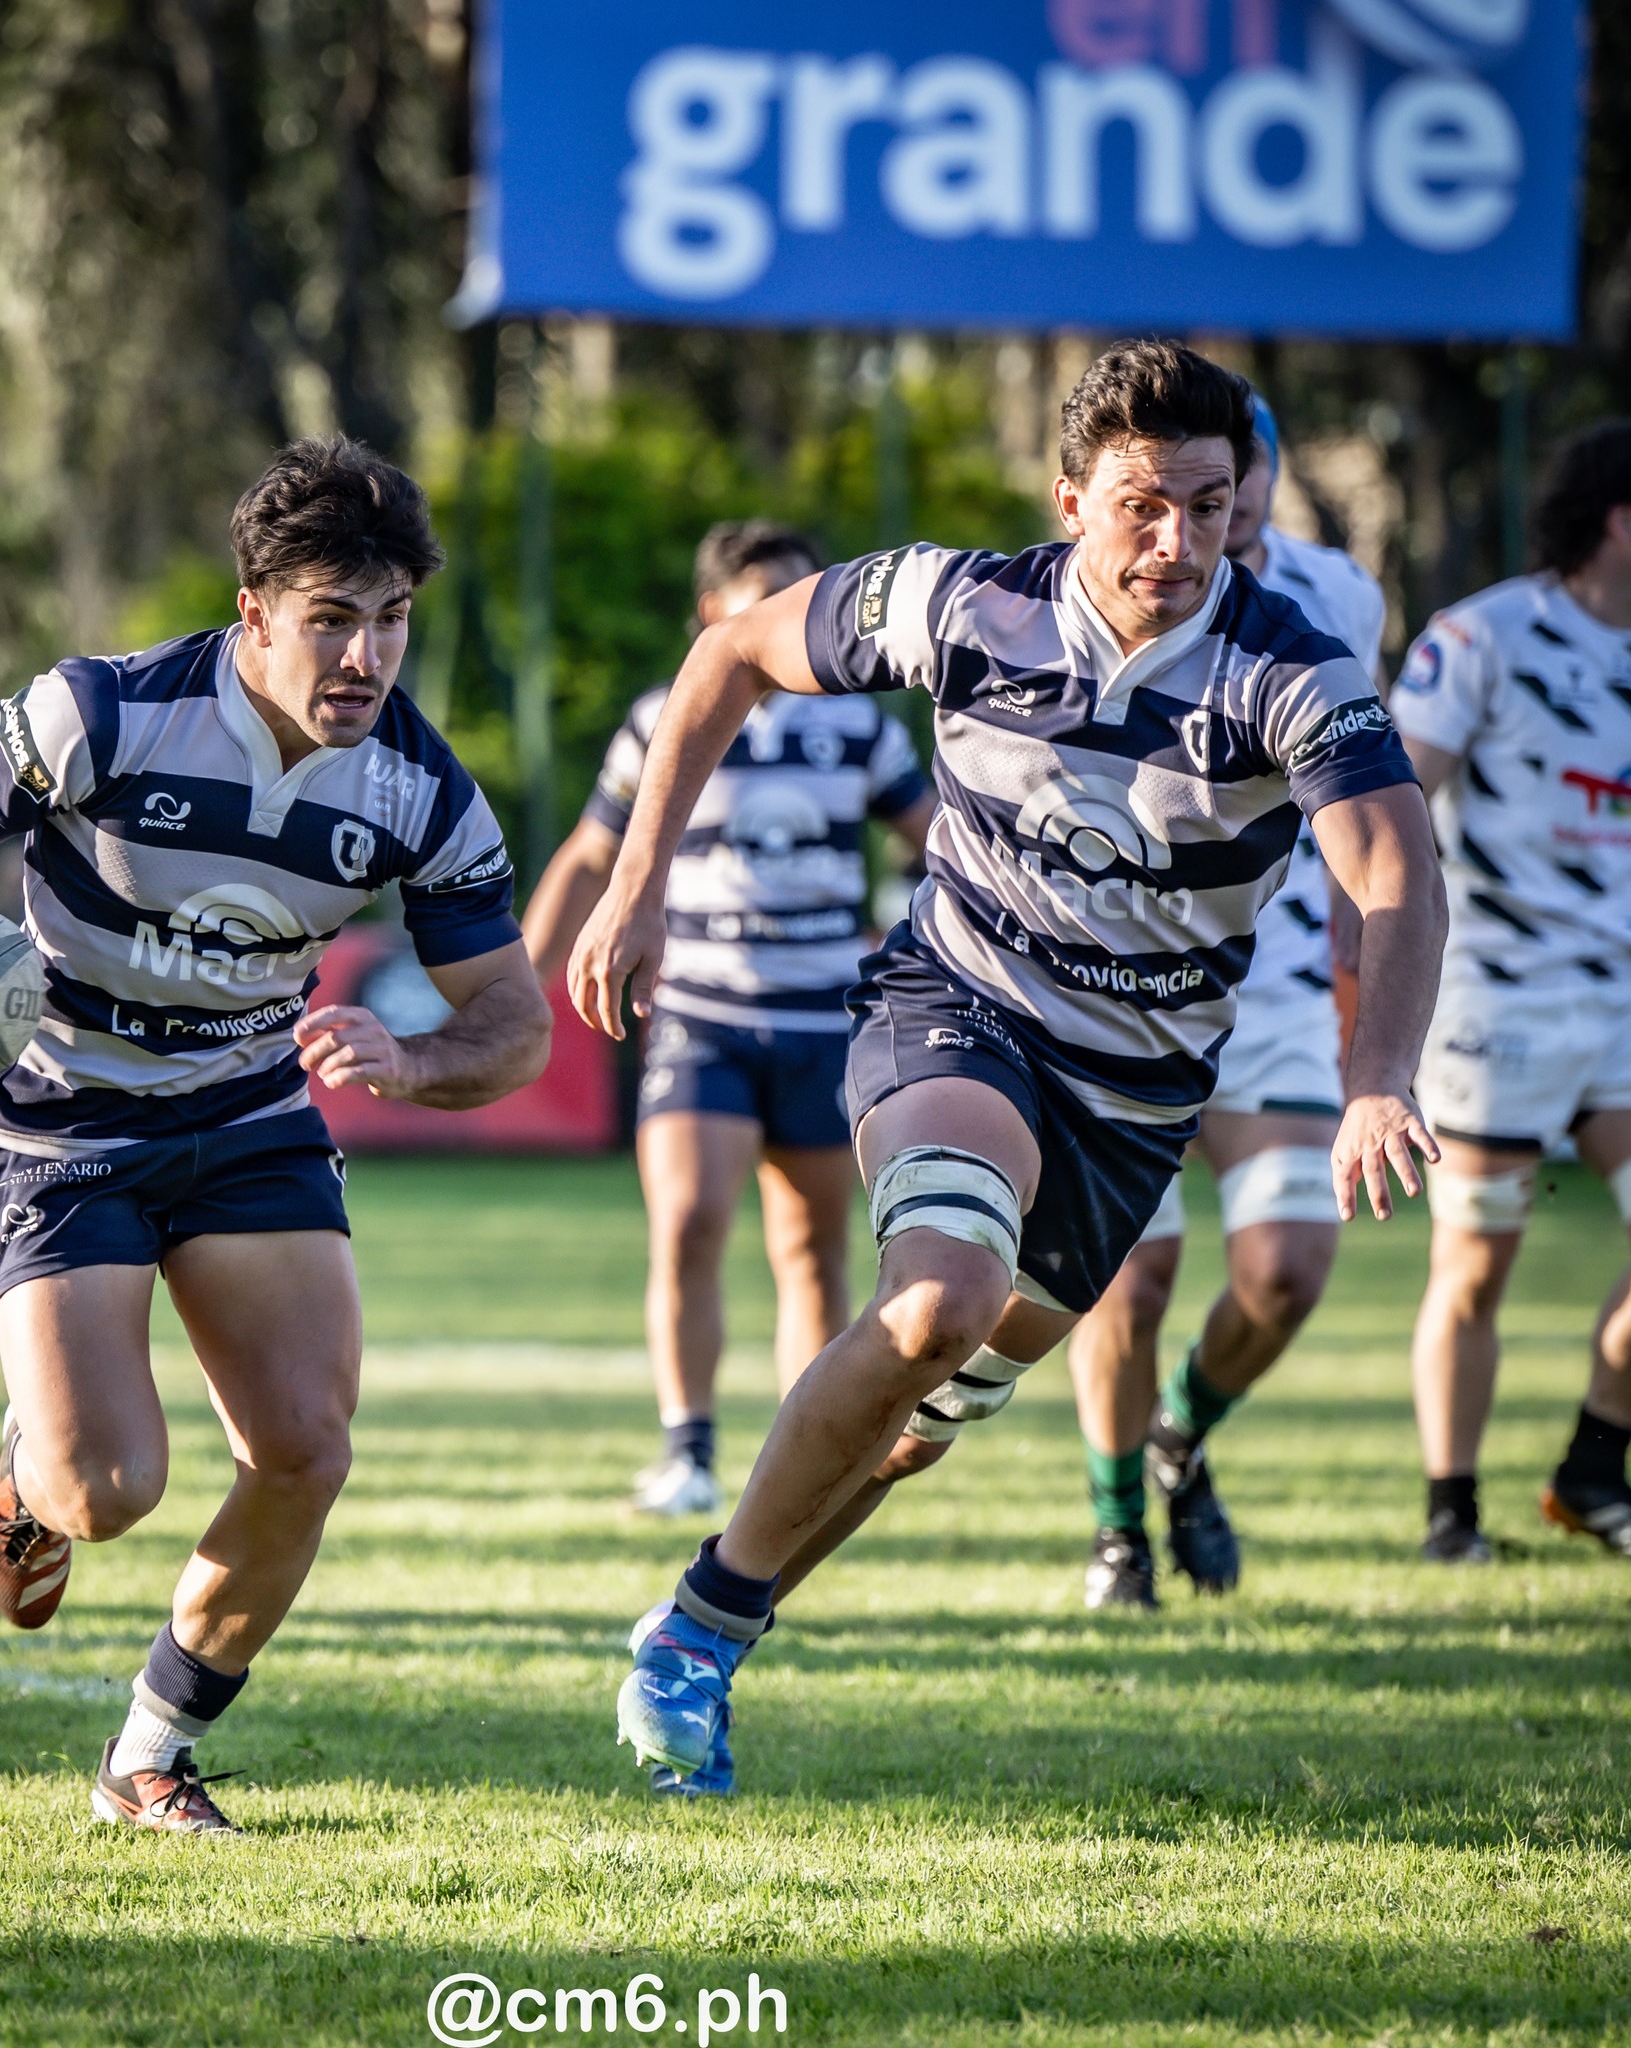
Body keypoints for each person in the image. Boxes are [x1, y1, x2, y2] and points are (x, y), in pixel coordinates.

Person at [568, 340, 1445, 1799]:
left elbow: (1398, 870)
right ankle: (700, 1644)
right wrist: (637, 880)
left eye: (1211, 507)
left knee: (918, 1430)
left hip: (1137, 1096)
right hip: (957, 1009)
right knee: (936, 1298)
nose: (1176, 544)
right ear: (1069, 500)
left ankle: (708, 1612)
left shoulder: (1288, 670)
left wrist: (1381, 1071)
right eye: (1141, 507)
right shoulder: (958, 600)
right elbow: (728, 653)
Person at [0, 437, 551, 1831]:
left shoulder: (420, 791)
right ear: (253, 612)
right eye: (332, 618)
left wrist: (417, 1055)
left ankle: (150, 1754)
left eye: (391, 621)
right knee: (105, 1492)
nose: (366, 657)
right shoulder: (105, 713)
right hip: (60, 1126)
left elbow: (514, 1021)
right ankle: (34, 1470)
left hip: (249, 1116)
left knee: (308, 1450)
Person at [525, 521, 934, 1517]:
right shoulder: (663, 718)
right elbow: (590, 854)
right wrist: (514, 985)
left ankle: (801, 1459)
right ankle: (686, 1451)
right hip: (700, 1014)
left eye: (805, 594)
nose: (791, 615)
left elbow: (938, 843)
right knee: (688, 1222)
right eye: (766, 595)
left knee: (808, 1250)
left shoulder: (859, 725)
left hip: (821, 1021)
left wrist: (914, 938)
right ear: (713, 613)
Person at [1064, 397, 1391, 1607]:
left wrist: (1368, 973)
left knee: (1285, 1269)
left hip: (1277, 979)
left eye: (1233, 479)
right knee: (1129, 1278)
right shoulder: (1086, 584)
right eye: (1181, 491)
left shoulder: (1335, 598)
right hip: (1115, 984)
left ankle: (1178, 1434)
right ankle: (1114, 1531)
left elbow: (1370, 793)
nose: (1217, 504)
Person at [1393, 421, 1631, 1564]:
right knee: (1474, 1263)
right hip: (1499, 997)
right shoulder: (1483, 635)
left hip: (1622, 1001)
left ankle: (1591, 1467)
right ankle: (1451, 1511)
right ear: (1618, 521)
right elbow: (1388, 812)